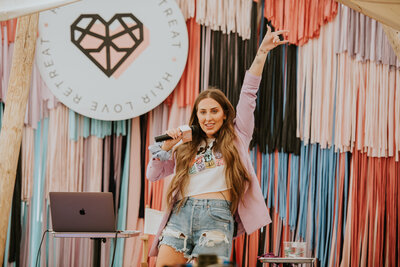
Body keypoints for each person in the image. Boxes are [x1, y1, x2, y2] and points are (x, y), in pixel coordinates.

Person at [146, 25, 289, 267]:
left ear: (225, 114)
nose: (208, 117)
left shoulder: (237, 135)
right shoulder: (186, 143)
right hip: (180, 216)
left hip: (216, 219)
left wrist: (262, 52)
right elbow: (153, 175)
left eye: (214, 111)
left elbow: (249, 92)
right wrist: (167, 147)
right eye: (203, 112)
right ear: (197, 115)